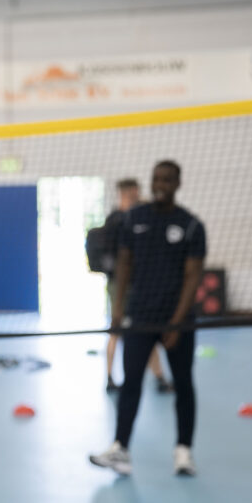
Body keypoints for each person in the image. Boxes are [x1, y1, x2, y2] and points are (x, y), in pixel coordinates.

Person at [90, 160, 205, 477]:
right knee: (131, 382)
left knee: (183, 384)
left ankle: (184, 451)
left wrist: (177, 322)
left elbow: (193, 277)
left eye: (167, 179)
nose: (160, 184)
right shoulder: (134, 219)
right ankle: (120, 449)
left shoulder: (191, 225)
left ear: (177, 183)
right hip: (140, 315)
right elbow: (124, 264)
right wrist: (118, 309)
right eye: (157, 179)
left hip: (178, 320)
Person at [101, 179, 172, 394]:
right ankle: (110, 377)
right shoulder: (117, 220)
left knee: (146, 329)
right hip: (119, 286)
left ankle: (159, 377)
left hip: (140, 285)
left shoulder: (137, 217)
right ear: (128, 192)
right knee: (116, 330)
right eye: (134, 192)